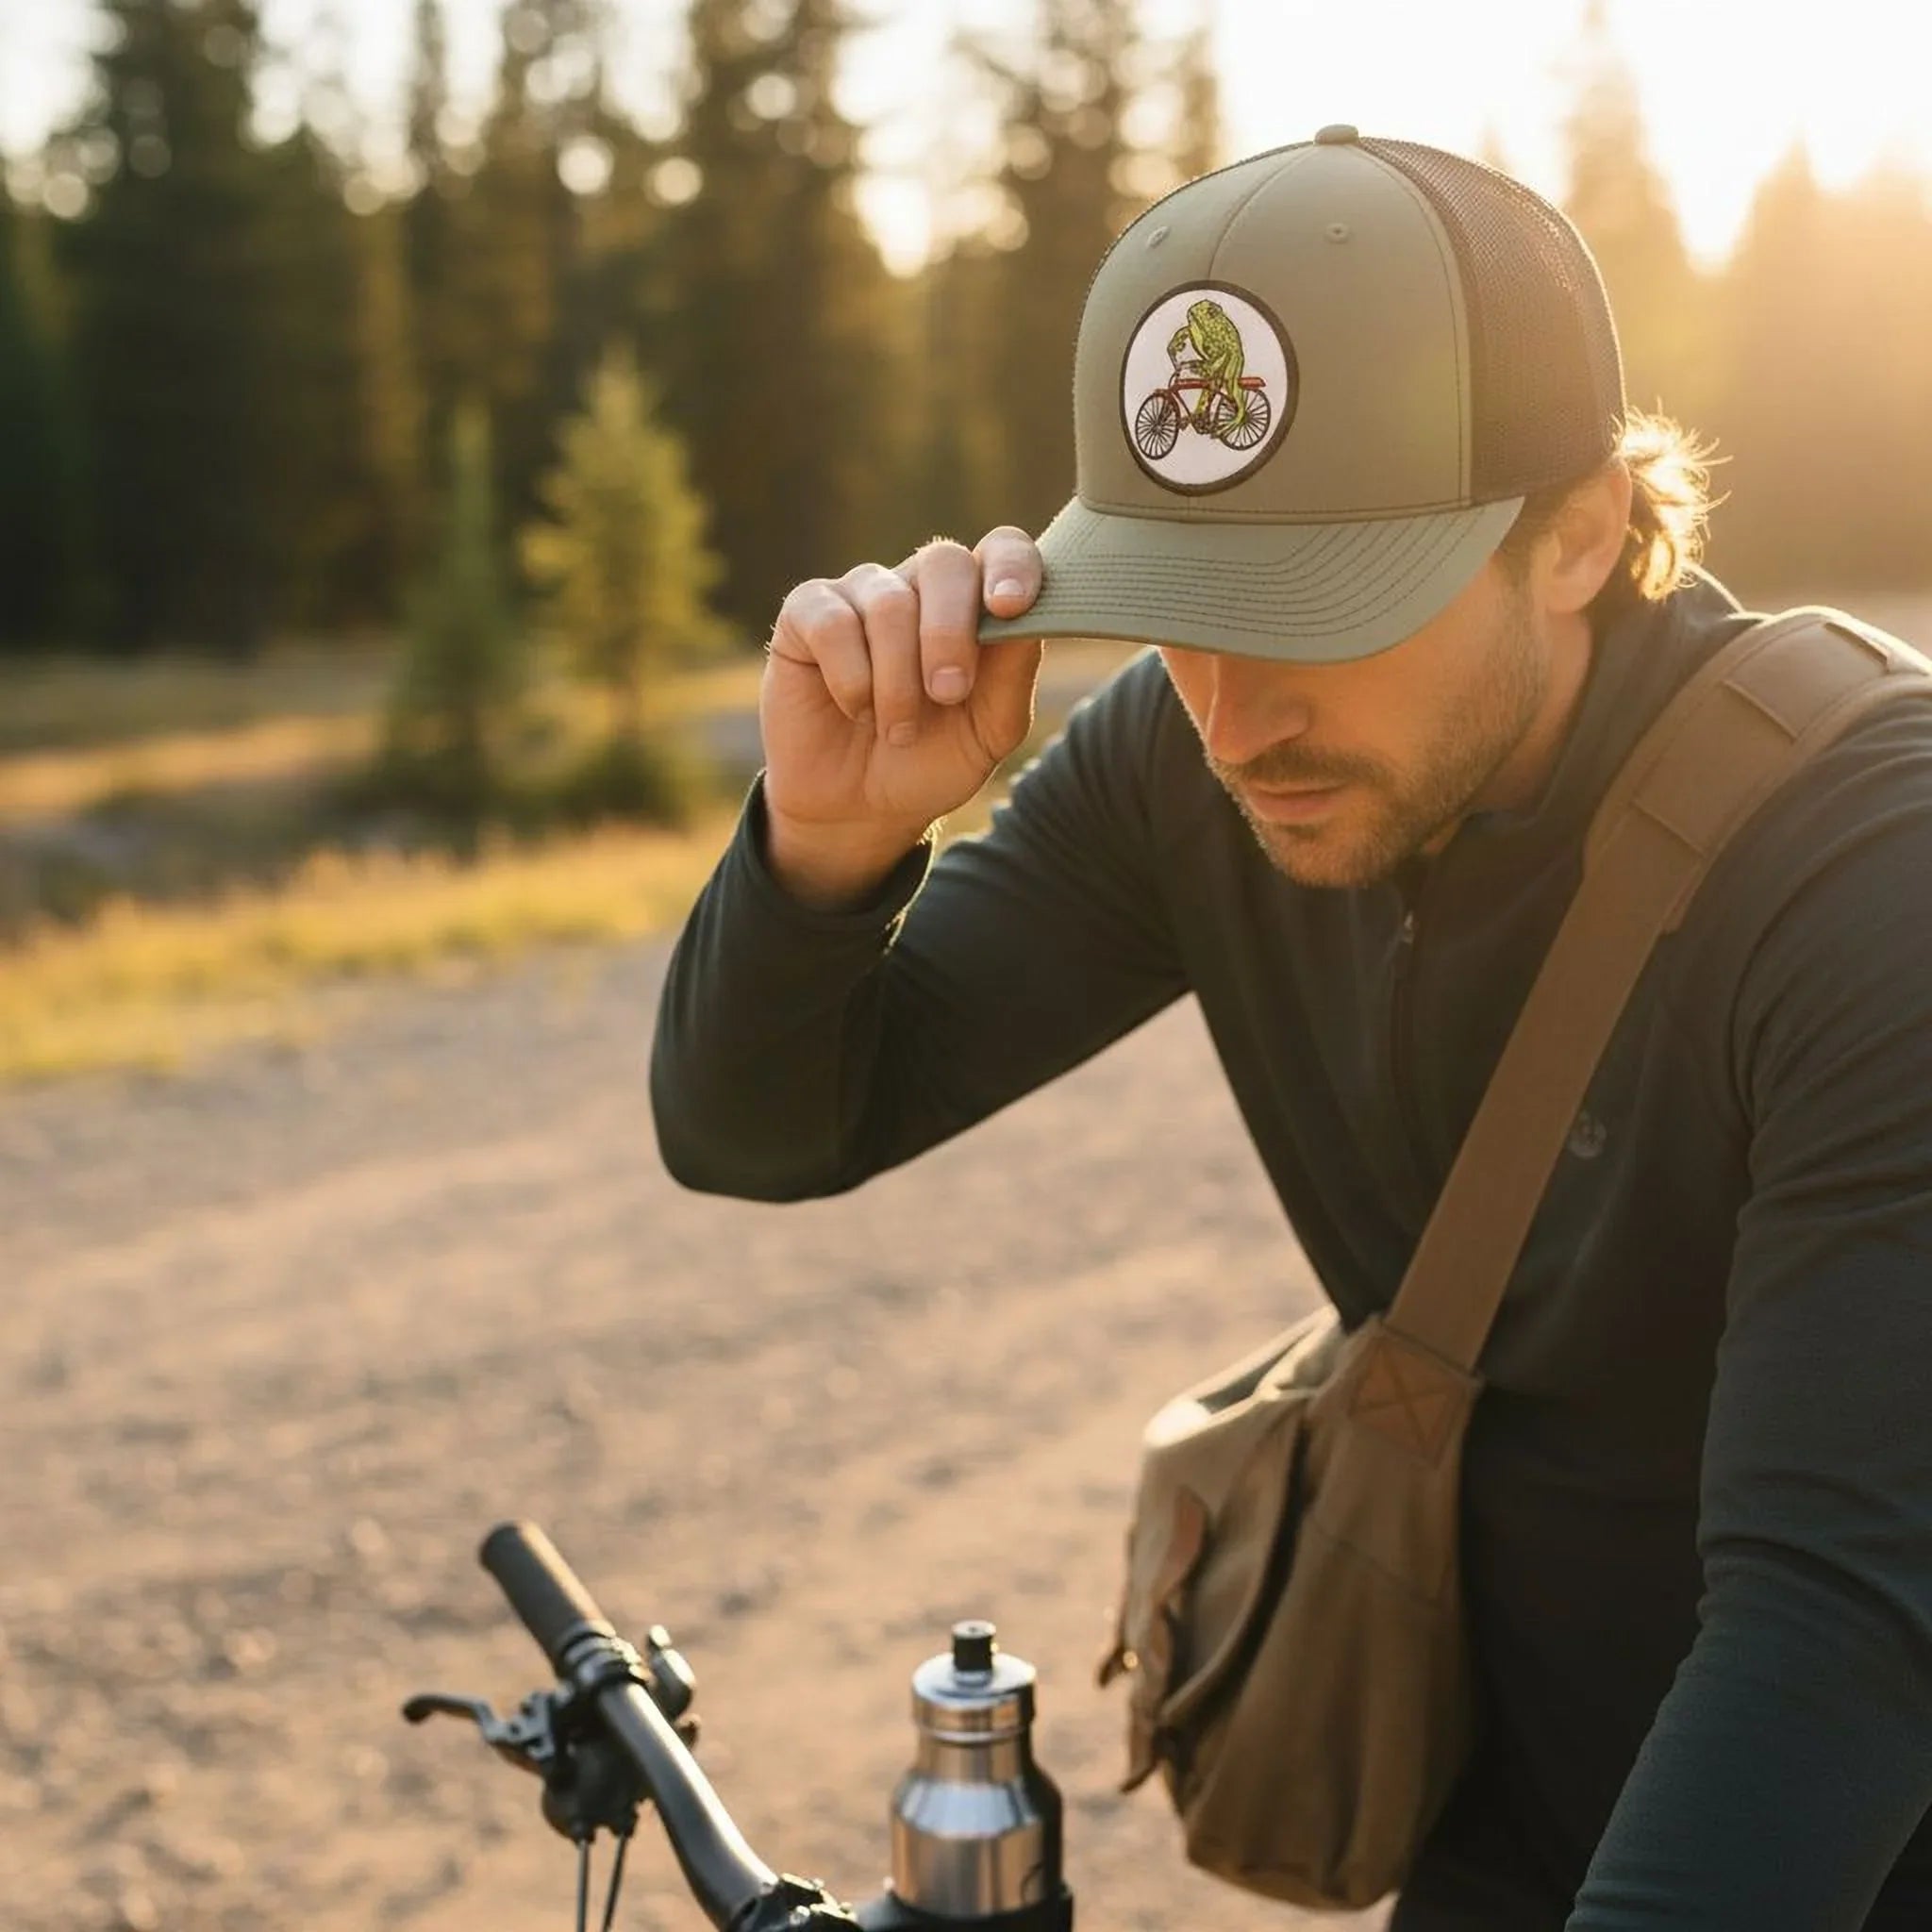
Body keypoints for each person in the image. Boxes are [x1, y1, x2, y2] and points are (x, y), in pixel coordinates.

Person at [649, 129, 1932, 1929]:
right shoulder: (1193, 768)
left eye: (1314, 613)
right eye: (1176, 611)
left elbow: (1841, 1627)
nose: (1236, 718)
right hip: (1499, 1841)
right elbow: (763, 1132)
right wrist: (830, 849)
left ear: (1578, 534)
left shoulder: (1868, 865)